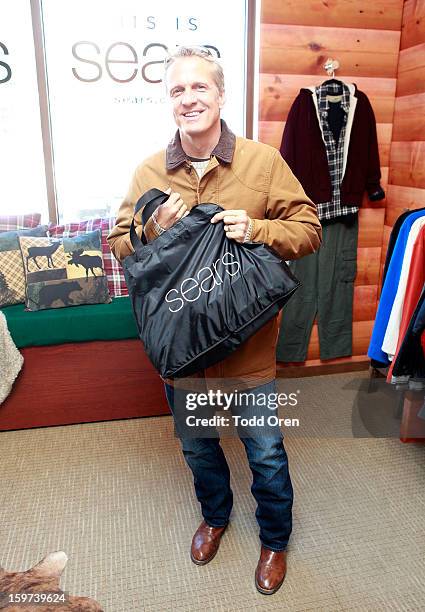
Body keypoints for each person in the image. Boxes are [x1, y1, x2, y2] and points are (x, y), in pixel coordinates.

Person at [107, 45, 322, 595]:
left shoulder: (262, 162)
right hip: (184, 351)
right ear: (169, 102)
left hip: (248, 349)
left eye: (199, 87)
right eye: (177, 91)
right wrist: (151, 230)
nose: (188, 99)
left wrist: (257, 229)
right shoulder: (149, 172)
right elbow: (118, 245)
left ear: (221, 94)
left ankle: (274, 539)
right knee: (198, 445)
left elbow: (308, 229)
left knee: (266, 450)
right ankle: (216, 517)